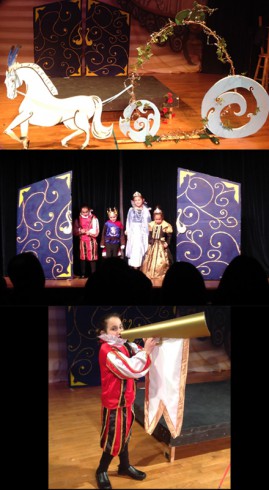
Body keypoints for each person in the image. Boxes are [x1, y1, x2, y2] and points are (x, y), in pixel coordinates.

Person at [95, 313, 157, 489]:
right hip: (114, 403)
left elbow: (137, 350)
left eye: (120, 327)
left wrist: (149, 343)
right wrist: (146, 351)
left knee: (125, 435)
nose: (119, 331)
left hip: (126, 400)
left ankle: (124, 465)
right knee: (113, 439)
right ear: (103, 332)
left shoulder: (123, 345)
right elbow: (131, 369)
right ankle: (101, 469)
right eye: (113, 329)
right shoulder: (106, 350)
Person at [141, 206, 173, 287]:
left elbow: (169, 236)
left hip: (161, 245)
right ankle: (150, 273)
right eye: (156, 219)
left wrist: (167, 243)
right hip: (154, 244)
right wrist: (150, 241)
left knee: (162, 260)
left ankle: (161, 273)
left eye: (159, 219)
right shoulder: (152, 224)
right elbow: (150, 235)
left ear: (162, 218)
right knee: (150, 258)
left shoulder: (166, 225)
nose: (157, 221)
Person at [125, 191, 151, 269]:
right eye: (135, 200)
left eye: (139, 200)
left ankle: (142, 266)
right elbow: (128, 221)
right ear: (133, 201)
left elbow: (149, 222)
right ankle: (134, 266)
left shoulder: (146, 210)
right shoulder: (131, 210)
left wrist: (148, 232)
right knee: (134, 248)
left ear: (142, 200)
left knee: (142, 247)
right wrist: (128, 230)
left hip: (143, 232)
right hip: (133, 232)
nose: (137, 202)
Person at [73, 204, 99, 278]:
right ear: (81, 212)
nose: (85, 213)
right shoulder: (78, 219)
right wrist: (80, 231)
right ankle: (83, 273)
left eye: (86, 212)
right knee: (83, 257)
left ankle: (93, 273)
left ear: (89, 211)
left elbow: (96, 229)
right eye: (83, 212)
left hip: (91, 240)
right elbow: (75, 230)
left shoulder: (93, 218)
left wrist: (89, 232)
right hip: (82, 240)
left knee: (92, 257)